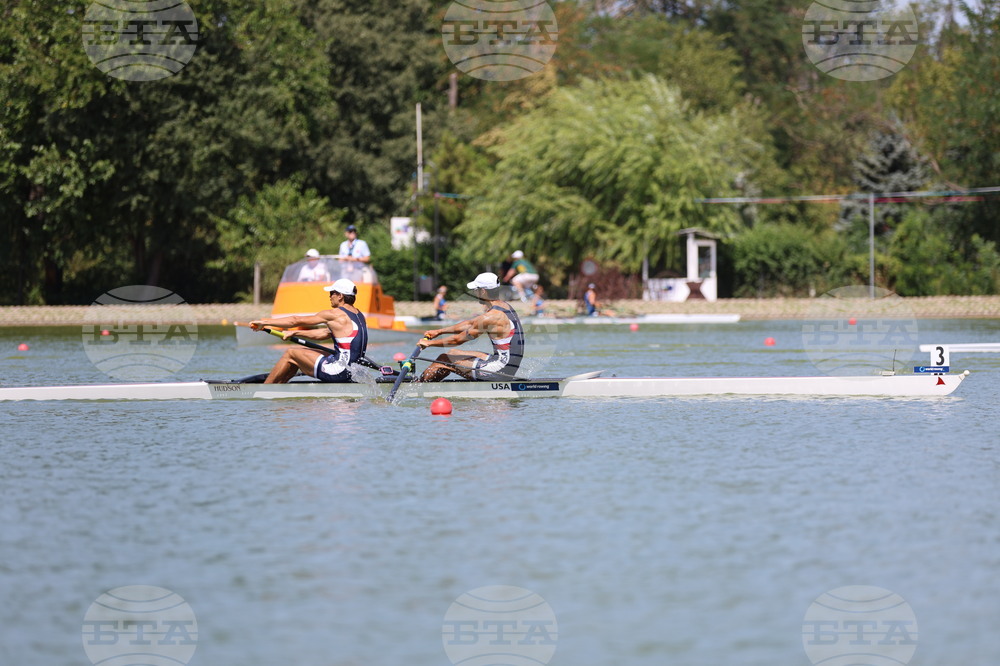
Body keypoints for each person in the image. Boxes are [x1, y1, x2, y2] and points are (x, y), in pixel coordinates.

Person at [249, 278, 368, 383]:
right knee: (305, 354)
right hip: (353, 372)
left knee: (291, 353)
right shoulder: (359, 315)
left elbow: (295, 320)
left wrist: (264, 323)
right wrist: (295, 333)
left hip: (339, 371)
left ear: (340, 296)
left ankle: (264, 389)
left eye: (332, 293)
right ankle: (280, 385)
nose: (330, 296)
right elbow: (324, 333)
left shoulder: (334, 314)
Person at [417, 272, 524, 381]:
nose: (475, 293)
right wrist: (439, 331)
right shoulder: (505, 306)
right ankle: (430, 382)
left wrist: (429, 343)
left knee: (444, 359)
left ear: (483, 291)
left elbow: (457, 340)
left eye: (475, 290)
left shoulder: (491, 316)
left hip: (501, 370)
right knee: (452, 353)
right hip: (507, 364)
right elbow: (470, 324)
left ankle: (419, 386)